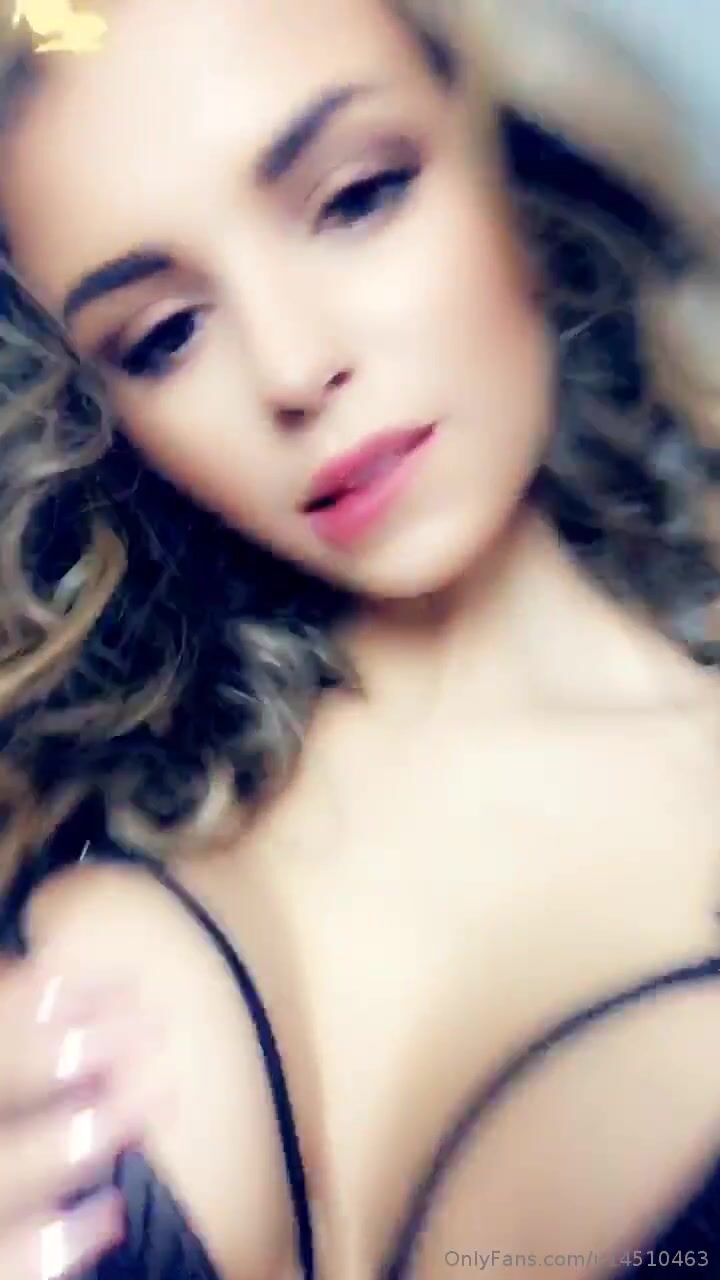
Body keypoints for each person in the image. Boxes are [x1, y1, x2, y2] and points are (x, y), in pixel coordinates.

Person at [1, 0, 720, 1276]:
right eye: (164, 334)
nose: (293, 366)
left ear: (509, 141)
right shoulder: (103, 973)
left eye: (355, 198)